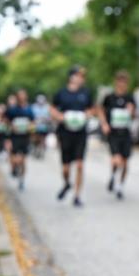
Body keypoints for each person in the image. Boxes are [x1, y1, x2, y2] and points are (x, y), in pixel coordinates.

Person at [50, 66, 95, 207]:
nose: (81, 78)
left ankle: (77, 196)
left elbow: (92, 108)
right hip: (65, 132)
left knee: (80, 165)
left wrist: (87, 114)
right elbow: (52, 108)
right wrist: (60, 116)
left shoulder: (86, 93)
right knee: (66, 168)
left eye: (83, 76)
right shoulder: (61, 93)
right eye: (79, 75)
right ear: (72, 77)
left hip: (80, 133)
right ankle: (67, 183)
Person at [97, 70, 136, 200]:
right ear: (116, 82)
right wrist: (104, 124)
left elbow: (134, 115)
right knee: (116, 159)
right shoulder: (109, 98)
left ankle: (120, 185)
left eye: (124, 82)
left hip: (125, 133)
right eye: (120, 82)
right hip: (113, 133)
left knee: (125, 162)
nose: (122, 84)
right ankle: (113, 176)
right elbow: (101, 111)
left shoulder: (130, 98)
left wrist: (131, 111)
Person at [4, 89, 35, 191]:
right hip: (15, 137)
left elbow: (33, 122)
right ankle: (14, 168)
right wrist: (11, 127)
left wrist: (30, 128)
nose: (22, 97)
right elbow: (5, 120)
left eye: (23, 95)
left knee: (23, 160)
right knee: (15, 159)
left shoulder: (29, 110)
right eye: (20, 95)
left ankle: (22, 179)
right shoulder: (12, 110)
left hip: (25, 137)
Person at [31, 93, 51, 159]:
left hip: (44, 126)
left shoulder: (47, 107)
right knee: (34, 138)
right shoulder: (33, 107)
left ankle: (42, 150)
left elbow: (50, 117)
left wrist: (46, 119)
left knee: (43, 138)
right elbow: (31, 116)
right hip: (35, 126)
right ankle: (34, 147)